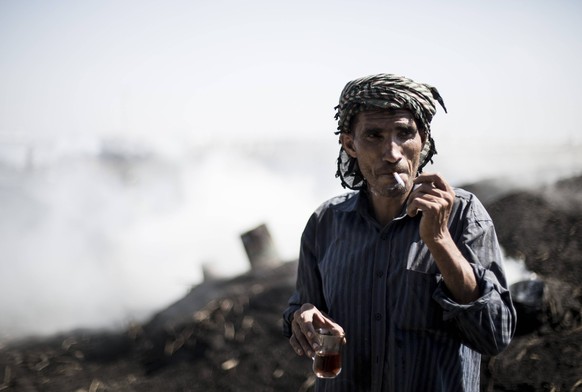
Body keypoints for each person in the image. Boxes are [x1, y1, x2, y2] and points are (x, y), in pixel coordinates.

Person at [282, 73, 516, 392]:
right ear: (350, 144)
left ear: (423, 140)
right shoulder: (326, 222)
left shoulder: (463, 215)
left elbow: (495, 335)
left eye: (404, 133)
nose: (392, 153)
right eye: (374, 136)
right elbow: (302, 308)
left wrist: (439, 241)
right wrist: (303, 316)